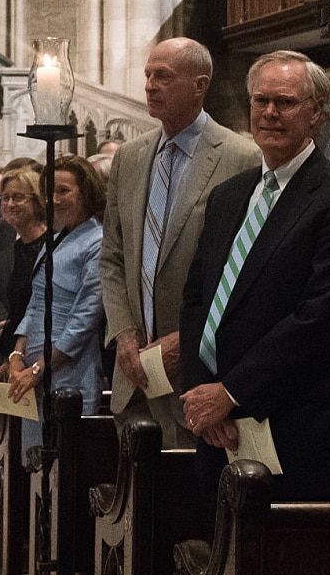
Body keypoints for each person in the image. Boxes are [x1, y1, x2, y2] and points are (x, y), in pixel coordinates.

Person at [179, 51, 330, 501]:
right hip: (215, 427)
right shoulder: (229, 195)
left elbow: (319, 317)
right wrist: (201, 394)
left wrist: (231, 392)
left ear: (316, 112)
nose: (269, 112)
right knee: (219, 560)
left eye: (284, 102)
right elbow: (196, 300)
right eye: (260, 100)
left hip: (292, 424)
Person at [101, 37, 263, 447]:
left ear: (199, 85)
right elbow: (113, 257)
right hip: (133, 370)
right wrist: (122, 333)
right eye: (148, 76)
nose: (150, 86)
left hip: (195, 374)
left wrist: (188, 339)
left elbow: (242, 269)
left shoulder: (241, 156)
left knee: (185, 504)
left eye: (163, 77)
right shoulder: (131, 156)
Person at [3, 155, 107, 456]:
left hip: (70, 370)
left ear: (85, 191)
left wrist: (39, 369)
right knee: (32, 463)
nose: (55, 199)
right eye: (50, 191)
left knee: (64, 466)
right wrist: (16, 356)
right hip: (32, 372)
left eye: (64, 191)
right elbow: (36, 303)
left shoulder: (96, 240)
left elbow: (86, 316)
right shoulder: (57, 238)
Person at [0, 166, 47, 362]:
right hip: (5, 332)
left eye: (18, 197)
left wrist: (21, 326)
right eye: (5, 197)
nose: (10, 204)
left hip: (40, 339)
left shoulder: (53, 239)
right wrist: (3, 322)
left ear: (36, 200)